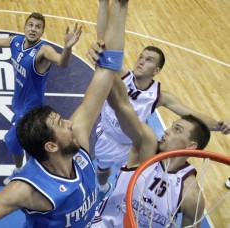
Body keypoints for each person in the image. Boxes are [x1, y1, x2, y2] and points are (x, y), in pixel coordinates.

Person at [0, 0, 129, 226]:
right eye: (62, 124)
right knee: (12, 141)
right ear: (51, 146)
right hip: (21, 110)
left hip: (30, 108)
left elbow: (106, 71)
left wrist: (120, 6)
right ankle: (18, 165)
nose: (71, 123)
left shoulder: (78, 142)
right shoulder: (28, 190)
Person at [86, 0, 230, 199]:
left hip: (132, 146)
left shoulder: (159, 95)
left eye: (148, 60)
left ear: (157, 70)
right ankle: (102, 188)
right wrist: (103, 4)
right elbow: (104, 44)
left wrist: (218, 125)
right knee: (102, 170)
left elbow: (190, 115)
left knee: (128, 181)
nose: (141, 62)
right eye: (141, 57)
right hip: (107, 136)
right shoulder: (122, 74)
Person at [0, 13, 82, 185]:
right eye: (31, 25)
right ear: (24, 27)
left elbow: (62, 62)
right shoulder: (16, 42)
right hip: (18, 100)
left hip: (31, 109)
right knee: (19, 129)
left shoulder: (43, 50)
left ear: (42, 32)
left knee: (12, 141)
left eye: (38, 27)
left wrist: (68, 47)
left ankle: (18, 170)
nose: (33, 29)